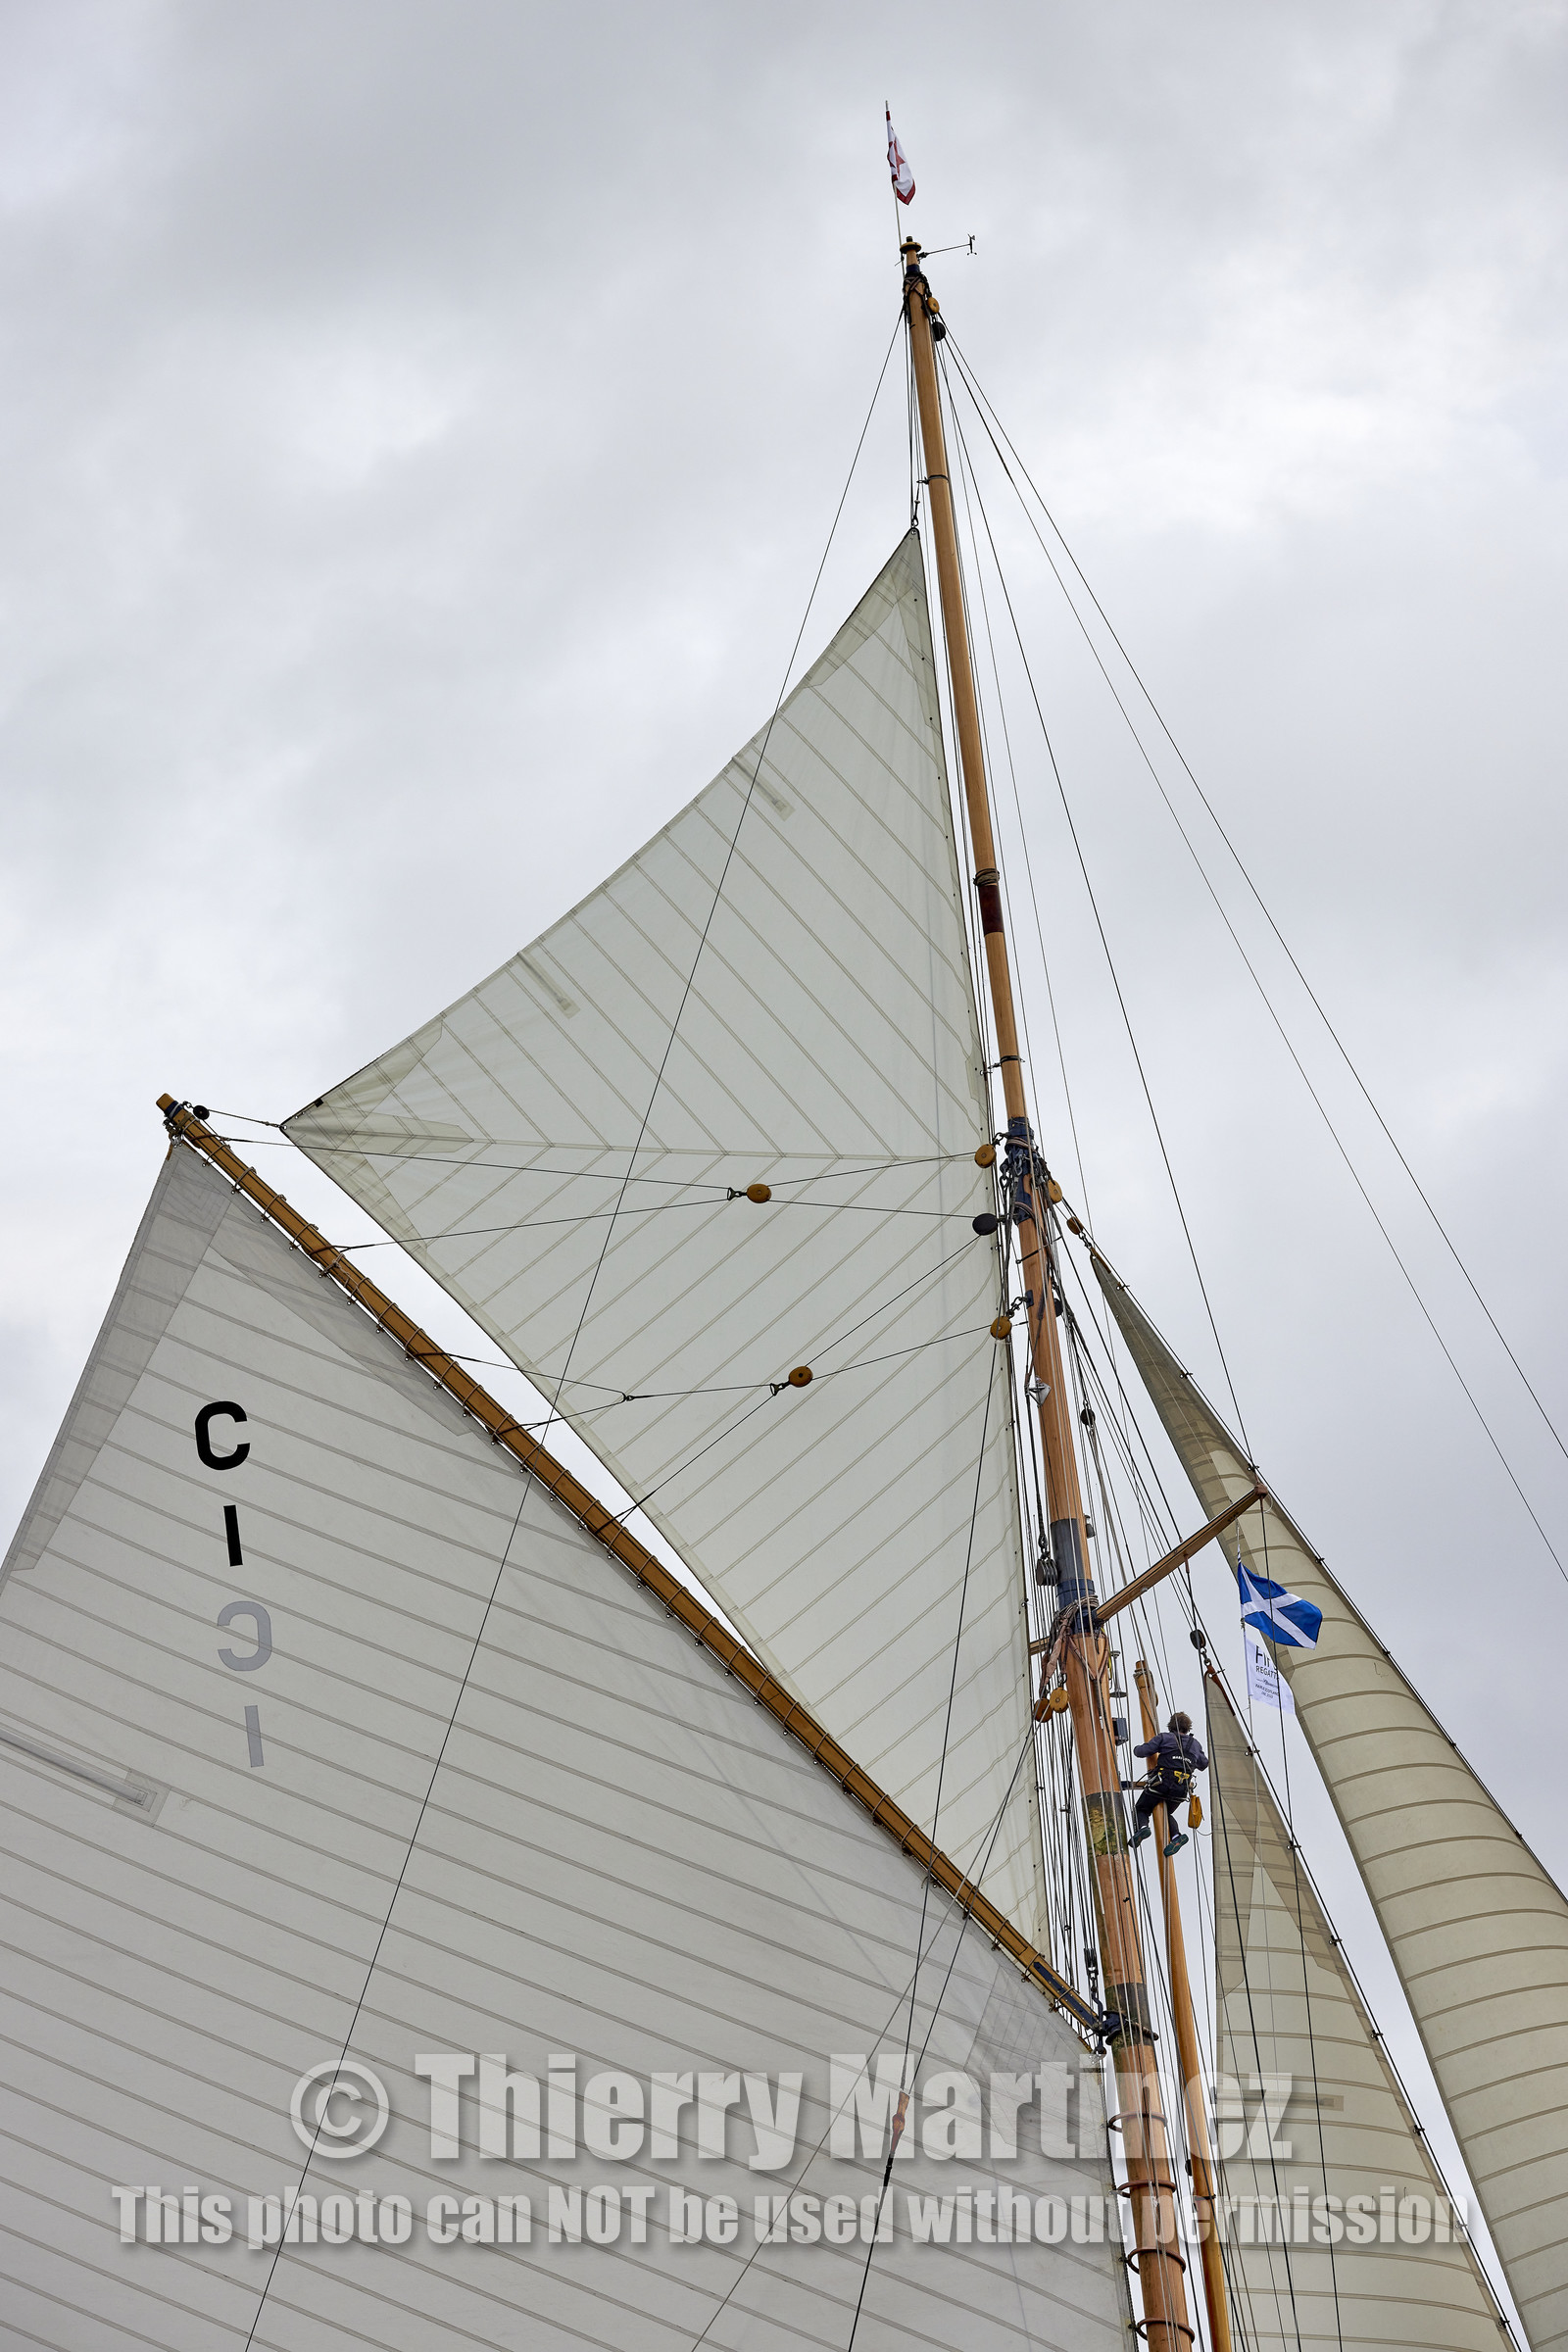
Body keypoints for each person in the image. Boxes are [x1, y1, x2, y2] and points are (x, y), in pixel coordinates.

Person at [1129, 1711, 1207, 1857]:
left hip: (1161, 1784)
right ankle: (1176, 1836)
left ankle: (1143, 1827)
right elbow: (1204, 1764)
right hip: (1181, 1790)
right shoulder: (1195, 1744)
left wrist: (1135, 1749)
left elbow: (1142, 1752)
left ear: (1171, 1726)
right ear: (1188, 1728)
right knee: (1166, 1813)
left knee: (1142, 1808)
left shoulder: (1165, 1738)